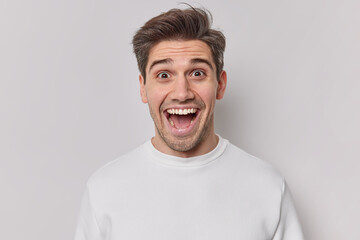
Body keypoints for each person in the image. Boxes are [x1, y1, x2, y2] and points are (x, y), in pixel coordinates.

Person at [74, 6, 304, 240]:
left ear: (220, 84)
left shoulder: (268, 187)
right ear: (143, 88)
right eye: (164, 75)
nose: (182, 93)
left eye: (197, 73)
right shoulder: (104, 189)